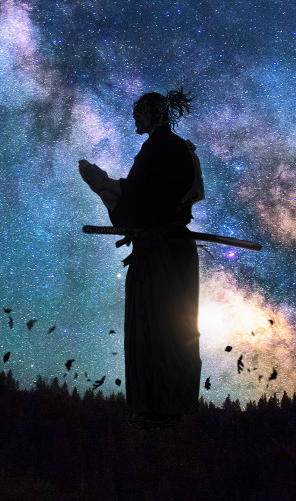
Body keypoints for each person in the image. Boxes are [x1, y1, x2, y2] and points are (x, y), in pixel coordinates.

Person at [79, 88, 203, 430]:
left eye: (139, 112)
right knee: (171, 326)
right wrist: (105, 188)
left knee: (155, 326)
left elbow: (140, 196)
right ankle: (165, 406)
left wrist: (104, 184)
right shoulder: (173, 148)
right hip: (169, 249)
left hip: (160, 253)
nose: (135, 117)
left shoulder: (160, 148)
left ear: (153, 114)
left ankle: (158, 408)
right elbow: (146, 198)